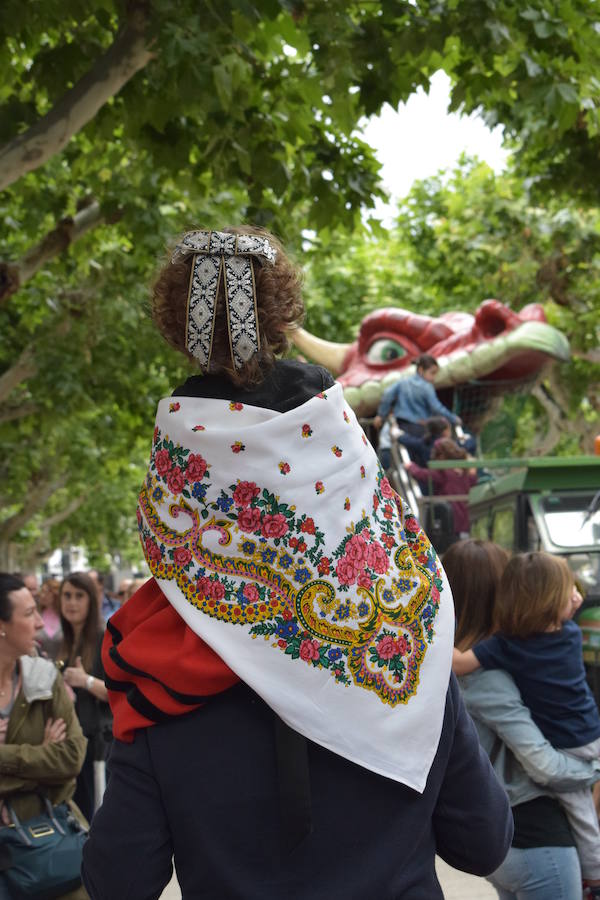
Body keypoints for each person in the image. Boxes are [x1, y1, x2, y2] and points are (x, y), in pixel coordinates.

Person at [82, 226, 512, 899]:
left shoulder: (158, 678)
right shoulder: (404, 650)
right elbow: (482, 842)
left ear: (176, 508)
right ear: (355, 483)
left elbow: (119, 882)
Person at [444, 540, 600, 899]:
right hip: (535, 837)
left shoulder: (476, 663)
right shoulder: (489, 676)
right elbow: (544, 765)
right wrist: (592, 770)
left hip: (500, 835)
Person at [0, 573, 88, 900]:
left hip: (50, 847)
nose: (40, 622)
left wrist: (7, 756)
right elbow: (54, 764)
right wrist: (39, 759)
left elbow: (70, 759)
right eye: (28, 614)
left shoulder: (43, 676)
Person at [58, 573, 111, 823]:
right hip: (69, 745)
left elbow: (119, 693)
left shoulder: (104, 637)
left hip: (97, 746)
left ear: (91, 600)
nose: (72, 602)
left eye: (79, 596)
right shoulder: (64, 642)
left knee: (94, 821)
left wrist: (85, 681)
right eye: (67, 595)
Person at [406, 437, 478, 540]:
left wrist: (411, 466)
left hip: (449, 523)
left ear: (442, 456)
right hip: (466, 522)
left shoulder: (444, 472)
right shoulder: (465, 472)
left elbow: (421, 474)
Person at [373, 353, 461, 439]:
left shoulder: (403, 382)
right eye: (432, 373)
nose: (434, 378)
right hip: (420, 428)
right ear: (421, 370)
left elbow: (387, 394)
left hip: (401, 426)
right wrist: (453, 418)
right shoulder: (427, 386)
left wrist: (381, 415)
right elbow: (436, 407)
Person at [36, 576, 63, 660]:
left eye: (45, 592)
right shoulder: (36, 615)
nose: (41, 595)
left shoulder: (65, 615)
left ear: (55, 594)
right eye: (41, 591)